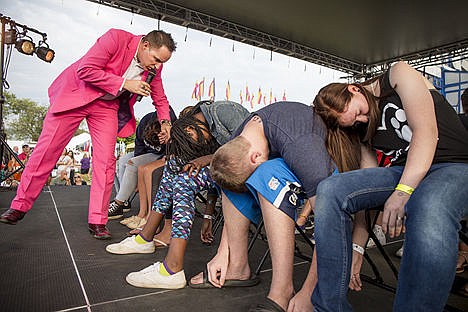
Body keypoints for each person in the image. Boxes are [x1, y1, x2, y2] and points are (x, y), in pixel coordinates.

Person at [310, 61, 468, 311]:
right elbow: (367, 187)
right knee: (331, 189)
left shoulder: (397, 74)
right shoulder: (361, 130)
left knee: (429, 204)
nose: (363, 119)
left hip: (454, 165)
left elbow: (426, 132)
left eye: (359, 112)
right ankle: (328, 306)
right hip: (402, 172)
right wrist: (357, 246)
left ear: (354, 89)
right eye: (355, 123)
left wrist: (403, 192)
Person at [0, 28, 177, 240]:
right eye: (156, 59)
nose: (157, 66)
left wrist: (165, 122)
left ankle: (98, 220)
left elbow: (160, 97)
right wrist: (124, 84)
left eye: (162, 63)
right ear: (145, 45)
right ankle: (19, 206)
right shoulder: (116, 38)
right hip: (77, 94)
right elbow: (85, 70)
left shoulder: (154, 69)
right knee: (46, 152)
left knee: (106, 163)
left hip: (106, 107)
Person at [188, 101, 335, 312]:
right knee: (228, 176)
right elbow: (230, 172)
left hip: (329, 168)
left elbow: (329, 223)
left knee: (267, 175)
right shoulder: (242, 137)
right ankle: (236, 267)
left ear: (255, 157)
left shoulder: (301, 146)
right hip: (292, 162)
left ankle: (281, 292)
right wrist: (222, 253)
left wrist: (312, 290)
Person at [106, 100, 250, 289]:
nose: (204, 143)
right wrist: (208, 214)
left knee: (184, 180)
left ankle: (172, 269)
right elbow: (218, 172)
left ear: (191, 129)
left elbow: (246, 150)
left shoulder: (225, 112)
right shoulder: (202, 127)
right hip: (224, 171)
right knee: (173, 165)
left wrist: (206, 159)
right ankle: (145, 238)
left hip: (249, 172)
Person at [108, 107, 176, 220]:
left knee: (132, 164)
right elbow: (139, 146)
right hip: (146, 152)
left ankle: (119, 202)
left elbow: (167, 108)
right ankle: (124, 200)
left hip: (162, 155)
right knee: (121, 162)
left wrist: (168, 140)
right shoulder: (145, 122)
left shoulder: (170, 125)